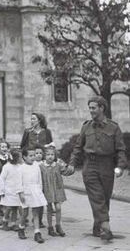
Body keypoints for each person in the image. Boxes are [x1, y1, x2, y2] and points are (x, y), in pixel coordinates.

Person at [66, 96, 127, 241]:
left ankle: (97, 226)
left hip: (107, 166)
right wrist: (72, 164)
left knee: (104, 198)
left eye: (93, 108)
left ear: (102, 108)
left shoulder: (114, 127)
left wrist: (120, 166)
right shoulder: (86, 126)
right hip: (90, 166)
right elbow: (77, 147)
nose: (91, 111)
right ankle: (106, 228)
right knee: (97, 196)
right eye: (90, 108)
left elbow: (120, 149)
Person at [17, 147, 47, 244]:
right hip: (25, 192)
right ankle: (21, 228)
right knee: (25, 213)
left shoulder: (36, 166)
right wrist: (20, 193)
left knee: (36, 212)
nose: (33, 157)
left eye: (34, 155)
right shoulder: (21, 168)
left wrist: (40, 190)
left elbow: (39, 180)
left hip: (35, 191)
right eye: (30, 156)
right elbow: (18, 182)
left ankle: (37, 233)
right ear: (24, 157)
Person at [40, 143, 68, 237]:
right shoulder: (41, 166)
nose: (50, 157)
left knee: (58, 207)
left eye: (52, 155)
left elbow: (66, 170)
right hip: (47, 189)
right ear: (44, 156)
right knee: (49, 209)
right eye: (48, 155)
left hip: (57, 188)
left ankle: (58, 225)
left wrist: (68, 167)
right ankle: (50, 227)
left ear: (55, 155)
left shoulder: (57, 165)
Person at [0, 149, 22, 231]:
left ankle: (13, 223)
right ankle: (5, 221)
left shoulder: (20, 167)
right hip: (8, 191)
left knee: (15, 208)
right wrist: (1, 190)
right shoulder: (6, 167)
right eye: (19, 157)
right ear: (14, 158)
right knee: (8, 208)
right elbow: (1, 179)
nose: (20, 159)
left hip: (16, 191)